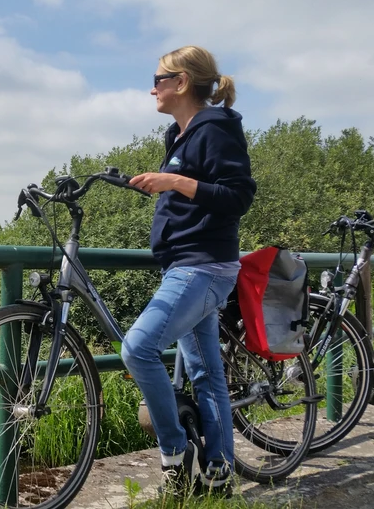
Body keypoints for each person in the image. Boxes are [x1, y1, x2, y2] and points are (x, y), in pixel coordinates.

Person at [123, 46, 257, 497]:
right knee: (206, 374)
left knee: (138, 348)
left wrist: (174, 181)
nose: (152, 88)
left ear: (182, 83)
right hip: (185, 265)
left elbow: (237, 196)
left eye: (158, 79)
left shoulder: (216, 129)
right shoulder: (177, 134)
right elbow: (191, 195)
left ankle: (177, 461)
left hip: (205, 266)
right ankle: (218, 474)